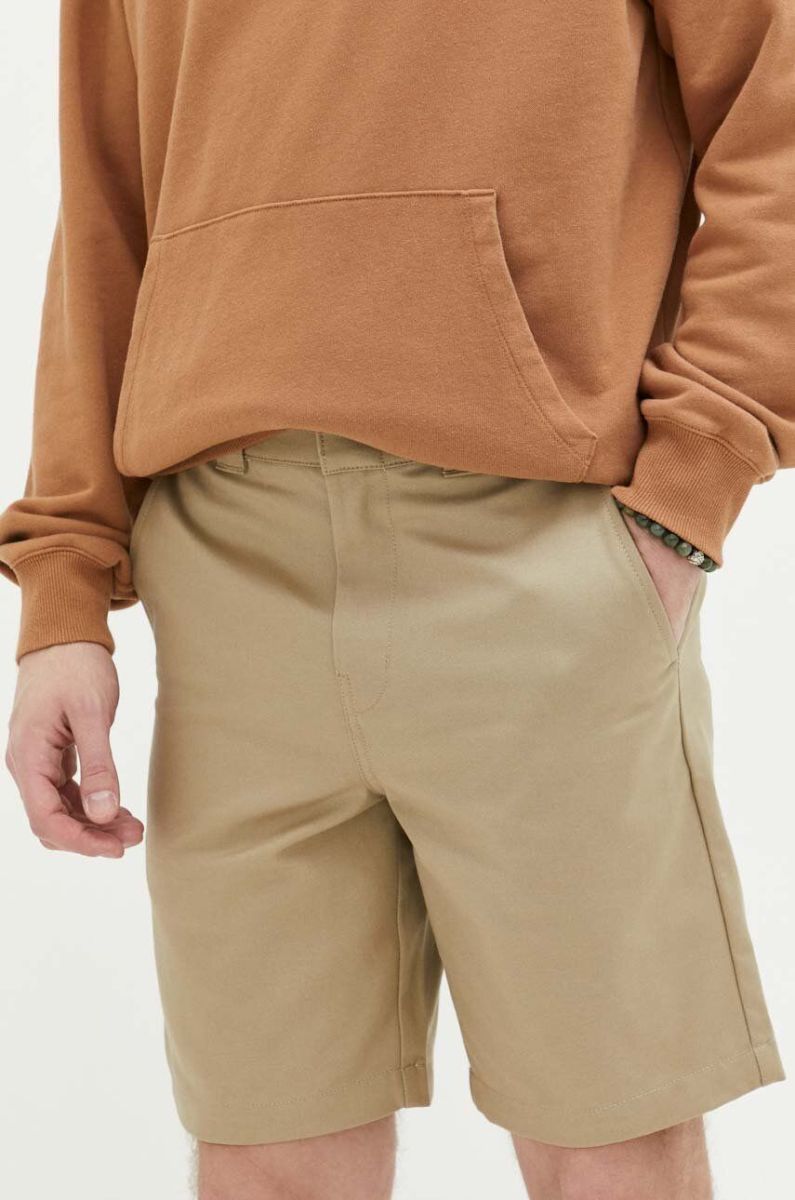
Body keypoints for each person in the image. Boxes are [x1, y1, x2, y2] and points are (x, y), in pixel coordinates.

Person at [1, 2, 790, 1197]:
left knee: (608, 1143)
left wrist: (692, 487)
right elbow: (107, 197)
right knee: (267, 1156)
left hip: (537, 559)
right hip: (224, 577)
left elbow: (775, 118)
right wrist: (61, 589)